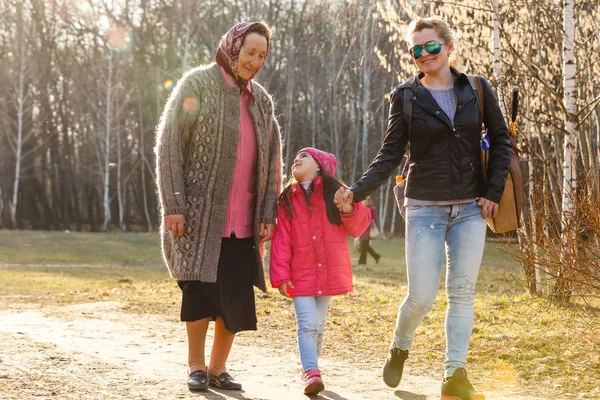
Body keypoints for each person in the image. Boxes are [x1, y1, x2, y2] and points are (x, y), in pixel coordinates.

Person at [335, 16, 512, 400]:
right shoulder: (406, 96)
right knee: (421, 297)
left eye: (431, 46)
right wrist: (357, 190)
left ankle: (455, 375)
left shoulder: (477, 90)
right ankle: (400, 345)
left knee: (462, 293)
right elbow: (390, 154)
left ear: (449, 47)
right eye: (416, 49)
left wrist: (493, 192)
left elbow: (501, 142)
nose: (424, 55)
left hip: (470, 207)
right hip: (424, 207)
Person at [155, 21, 282, 392]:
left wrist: (267, 212)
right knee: (200, 292)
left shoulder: (261, 100)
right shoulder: (197, 84)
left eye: (262, 55)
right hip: (199, 214)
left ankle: (218, 368)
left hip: (244, 217)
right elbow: (170, 145)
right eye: (250, 53)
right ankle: (195, 366)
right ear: (233, 47)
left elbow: (273, 159)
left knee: (235, 294)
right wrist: (174, 203)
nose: (255, 61)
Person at [269, 148, 371, 395]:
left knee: (320, 324)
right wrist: (281, 275)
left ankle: (310, 368)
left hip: (327, 271)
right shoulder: (287, 199)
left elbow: (358, 226)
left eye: (304, 156)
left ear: (319, 167)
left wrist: (348, 209)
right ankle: (311, 371)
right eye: (296, 156)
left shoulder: (334, 195)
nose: (297, 159)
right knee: (307, 323)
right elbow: (281, 239)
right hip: (299, 273)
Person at [358, 196, 381, 265]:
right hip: (363, 229)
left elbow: (374, 219)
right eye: (364, 202)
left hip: (367, 230)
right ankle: (376, 256)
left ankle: (362, 261)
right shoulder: (365, 208)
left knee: (364, 246)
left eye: (365, 201)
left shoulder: (372, 209)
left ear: (369, 201)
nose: (364, 203)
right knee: (365, 246)